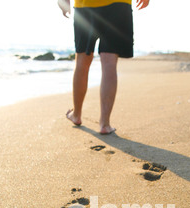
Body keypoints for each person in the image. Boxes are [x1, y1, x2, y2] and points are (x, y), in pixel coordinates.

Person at [58, 0, 150, 134]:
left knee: (82, 60)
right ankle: (104, 124)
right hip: (118, 5)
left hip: (86, 6)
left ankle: (76, 114)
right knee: (109, 62)